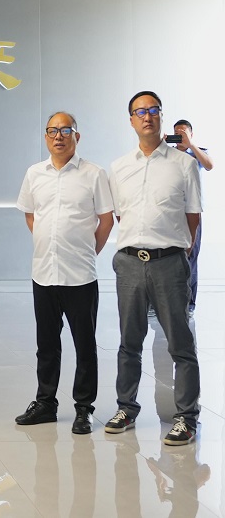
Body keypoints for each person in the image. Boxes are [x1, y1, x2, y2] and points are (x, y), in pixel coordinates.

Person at [104, 91, 202, 446]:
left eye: (153, 110)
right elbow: (120, 215)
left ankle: (186, 417)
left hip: (169, 264)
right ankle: (126, 408)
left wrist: (174, 251)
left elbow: (193, 216)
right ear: (131, 120)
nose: (147, 116)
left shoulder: (183, 164)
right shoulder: (119, 168)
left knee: (181, 344)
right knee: (129, 342)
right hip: (130, 263)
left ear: (161, 116)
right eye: (140, 111)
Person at [13, 112, 114, 434]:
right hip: (43, 272)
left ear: (76, 136)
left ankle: (84, 409)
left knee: (84, 345)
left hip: (80, 275)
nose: (58, 136)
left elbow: (106, 220)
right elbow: (31, 215)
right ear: (46, 137)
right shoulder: (34, 174)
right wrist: (49, 244)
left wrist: (87, 250)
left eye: (65, 130)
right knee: (46, 344)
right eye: (52, 131)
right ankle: (45, 403)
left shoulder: (94, 174)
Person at [171, 119, 213, 314]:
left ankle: (189, 304)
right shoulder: (167, 153)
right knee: (165, 258)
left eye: (183, 133)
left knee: (191, 258)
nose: (180, 136)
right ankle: (160, 303)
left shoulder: (198, 152)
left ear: (191, 134)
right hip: (171, 212)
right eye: (177, 133)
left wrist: (191, 145)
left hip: (193, 212)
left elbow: (209, 165)